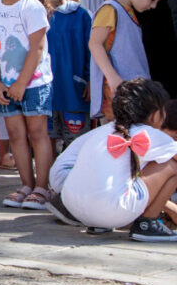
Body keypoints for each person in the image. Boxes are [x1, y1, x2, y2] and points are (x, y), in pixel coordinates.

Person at [49, 79, 177, 241]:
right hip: (111, 211)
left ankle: (100, 222)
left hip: (75, 208)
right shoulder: (150, 134)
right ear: (155, 115)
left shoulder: (105, 131)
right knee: (171, 165)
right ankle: (147, 224)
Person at [0, 0, 54, 211]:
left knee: (37, 133)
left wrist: (21, 83)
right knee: (16, 135)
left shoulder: (32, 7)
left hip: (34, 84)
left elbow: (37, 48)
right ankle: (26, 184)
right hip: (5, 86)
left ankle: (43, 186)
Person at [88, 0, 170, 122]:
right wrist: (113, 78)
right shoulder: (110, 9)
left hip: (133, 95)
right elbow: (95, 43)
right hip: (120, 95)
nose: (153, 6)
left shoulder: (126, 11)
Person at [42, 0, 91, 153]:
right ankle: (47, 182)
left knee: (76, 144)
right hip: (46, 94)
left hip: (74, 91)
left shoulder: (81, 15)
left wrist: (89, 80)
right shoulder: (36, 14)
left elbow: (92, 51)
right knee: (46, 142)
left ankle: (74, 182)